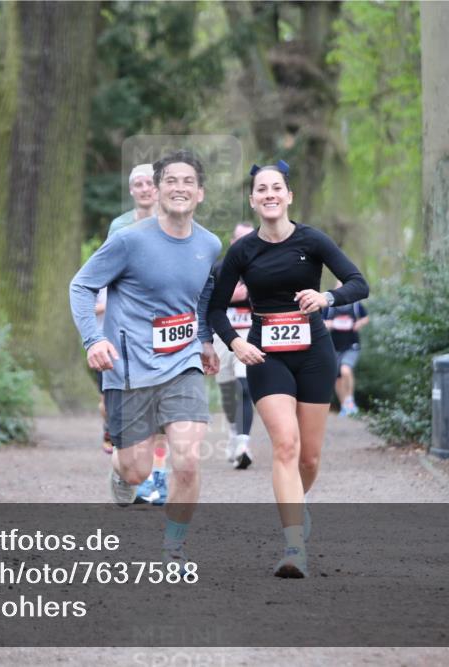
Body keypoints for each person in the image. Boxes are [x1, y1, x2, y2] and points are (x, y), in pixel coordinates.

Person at [208, 160, 368, 578]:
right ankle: (294, 545)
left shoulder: (311, 240)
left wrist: (326, 299)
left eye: (276, 188)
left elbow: (358, 282)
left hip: (315, 352)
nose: (269, 195)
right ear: (253, 200)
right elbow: (215, 308)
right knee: (285, 445)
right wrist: (236, 342)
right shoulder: (243, 251)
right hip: (266, 355)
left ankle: (298, 502)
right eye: (261, 190)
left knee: (309, 458)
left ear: (289, 195)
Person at [70, 150, 221, 566]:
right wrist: (92, 340)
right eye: (170, 180)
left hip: (183, 361)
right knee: (136, 470)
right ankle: (120, 470)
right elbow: (81, 286)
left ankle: (174, 547)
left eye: (188, 181)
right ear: (156, 190)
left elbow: (206, 291)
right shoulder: (129, 240)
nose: (179, 188)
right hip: (130, 364)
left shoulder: (209, 244)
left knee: (187, 459)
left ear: (200, 193)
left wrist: (205, 339)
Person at [93, 164, 160, 459]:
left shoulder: (173, 223)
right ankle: (112, 426)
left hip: (159, 323)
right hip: (121, 322)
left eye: (150, 183)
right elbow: (105, 271)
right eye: (139, 184)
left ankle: (154, 473)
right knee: (111, 400)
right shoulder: (119, 227)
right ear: (132, 191)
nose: (145, 189)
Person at [213, 223, 256, 469]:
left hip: (250, 334)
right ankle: (233, 433)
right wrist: (232, 297)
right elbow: (206, 302)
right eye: (239, 238)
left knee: (244, 386)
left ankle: (242, 444)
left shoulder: (261, 267)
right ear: (232, 242)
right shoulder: (219, 269)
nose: (244, 243)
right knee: (228, 392)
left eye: (248, 238)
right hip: (222, 335)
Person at [324, 280, 369, 416]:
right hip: (334, 346)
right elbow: (320, 322)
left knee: (346, 370)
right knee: (337, 377)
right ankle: (345, 405)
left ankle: (350, 400)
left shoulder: (355, 305)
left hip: (351, 345)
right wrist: (331, 323)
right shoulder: (329, 307)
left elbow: (365, 318)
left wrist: (359, 324)